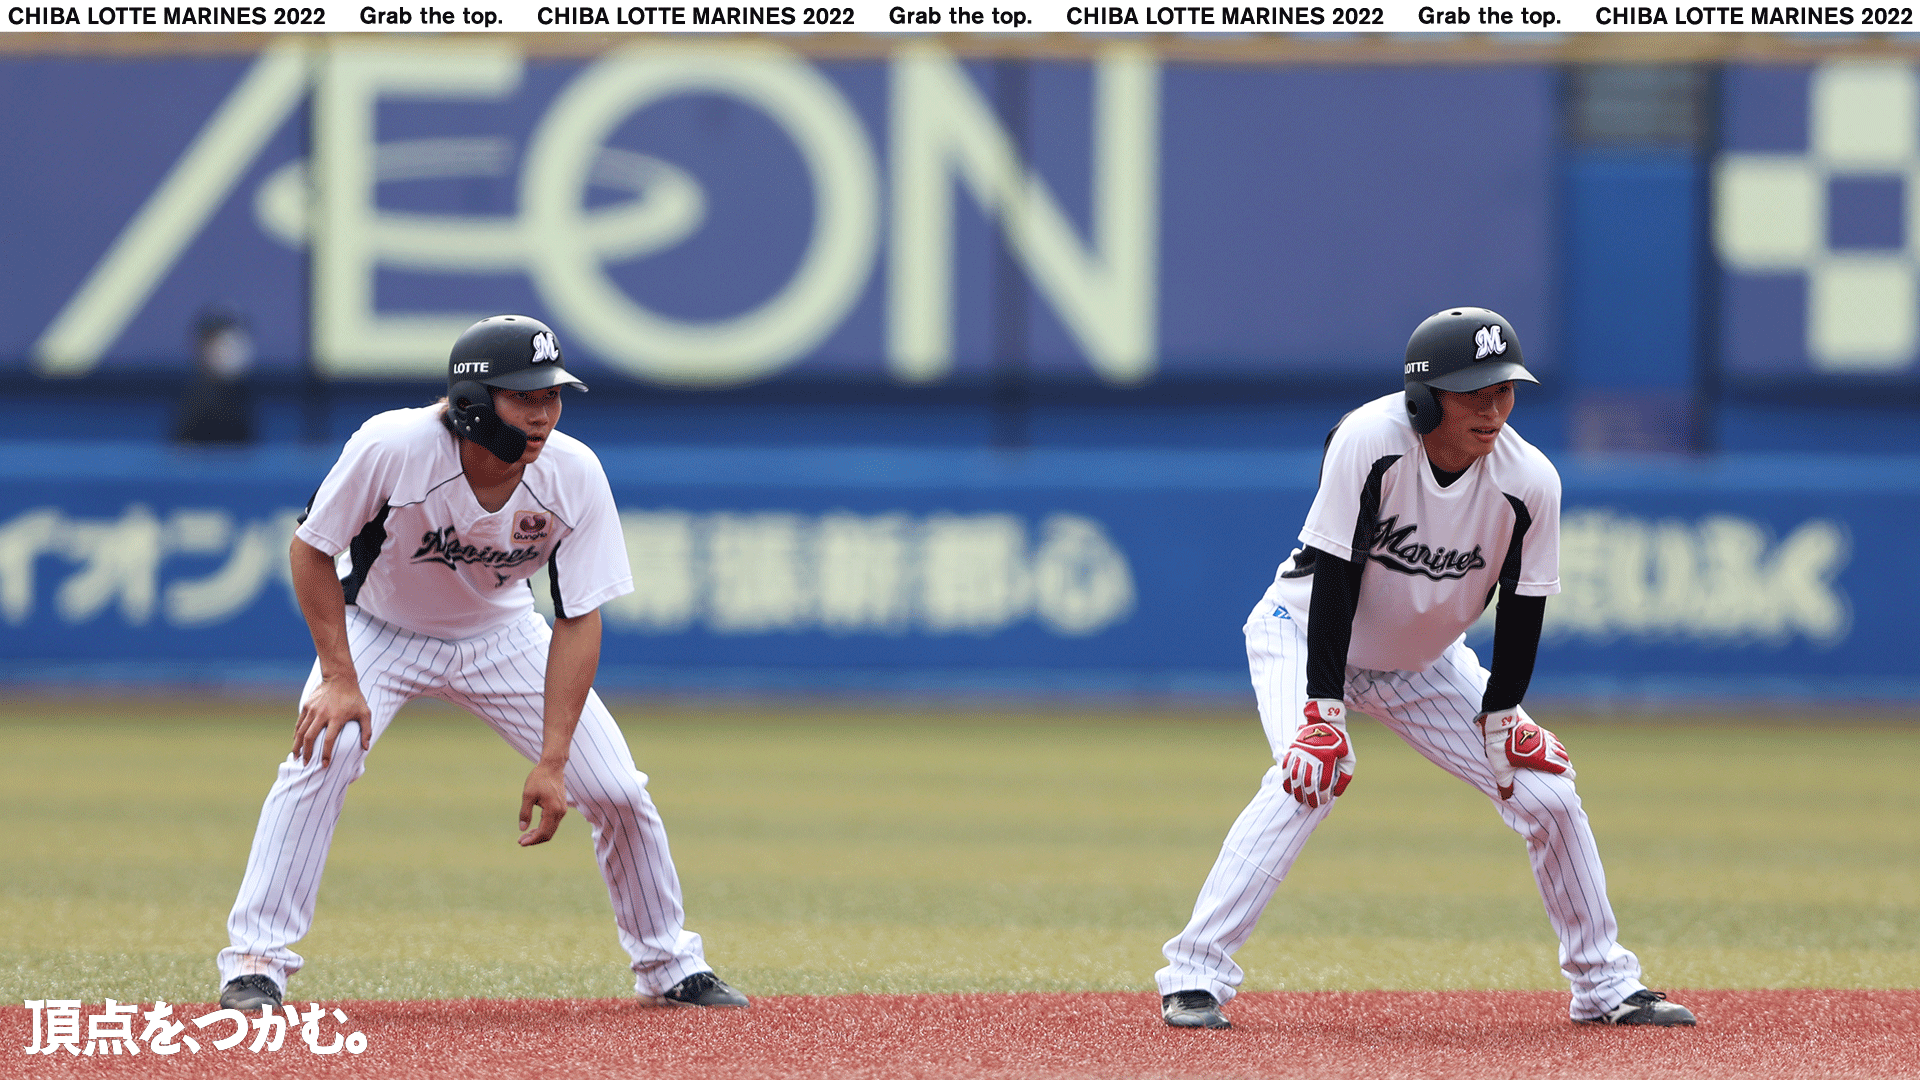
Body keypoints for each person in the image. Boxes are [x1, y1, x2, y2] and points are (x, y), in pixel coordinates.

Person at [1155, 307, 1694, 1030]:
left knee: (1548, 795)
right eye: (1473, 392)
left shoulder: (1529, 481)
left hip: (1421, 662)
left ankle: (1604, 984)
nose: (1493, 408)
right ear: (1423, 396)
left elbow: (1524, 609)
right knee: (1308, 778)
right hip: (1307, 634)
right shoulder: (1371, 441)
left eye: (1504, 390)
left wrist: (1503, 718)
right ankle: (1194, 974)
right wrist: (1322, 713)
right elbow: (1336, 579)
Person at [216, 315, 746, 1012]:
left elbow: (579, 617)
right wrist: (340, 677)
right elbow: (311, 548)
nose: (543, 413)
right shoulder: (394, 446)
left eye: (551, 395)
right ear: (471, 403)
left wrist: (555, 760)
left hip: (500, 636)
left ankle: (667, 962)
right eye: (523, 397)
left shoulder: (573, 473)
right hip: (378, 629)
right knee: (325, 748)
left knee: (616, 791)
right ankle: (256, 963)